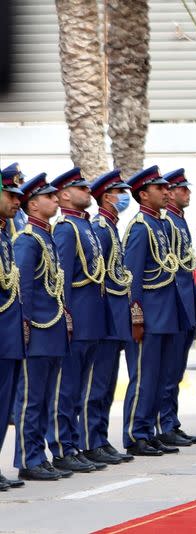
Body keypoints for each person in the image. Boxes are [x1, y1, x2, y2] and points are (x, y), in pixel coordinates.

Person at [121, 166, 188, 456]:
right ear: (143, 194)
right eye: (159, 188)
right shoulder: (140, 227)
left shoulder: (160, 224)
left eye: (165, 187)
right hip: (149, 316)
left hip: (166, 314)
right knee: (144, 377)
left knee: (160, 377)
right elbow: (132, 277)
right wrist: (136, 318)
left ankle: (149, 430)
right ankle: (136, 434)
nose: (165, 192)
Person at [13, 174, 73, 481]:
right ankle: (28, 458)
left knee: (47, 397)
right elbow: (23, 288)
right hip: (36, 329)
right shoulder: (27, 240)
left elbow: (55, 285)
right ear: (33, 204)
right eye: (49, 197)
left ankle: (41, 455)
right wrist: (24, 327)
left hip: (53, 328)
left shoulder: (46, 237)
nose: (55, 200)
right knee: (32, 399)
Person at [50, 167, 108, 473]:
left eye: (87, 188)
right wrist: (67, 317)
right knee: (67, 388)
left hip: (92, 319)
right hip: (76, 321)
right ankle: (61, 447)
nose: (88, 192)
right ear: (65, 195)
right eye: (80, 188)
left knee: (81, 388)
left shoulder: (86, 227)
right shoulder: (66, 229)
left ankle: (75, 444)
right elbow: (62, 279)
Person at [82, 170, 135, 465]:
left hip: (116, 317)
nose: (124, 197)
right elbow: (99, 278)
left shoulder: (111, 226)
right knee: (97, 384)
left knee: (107, 384)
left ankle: (99, 438)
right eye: (120, 192)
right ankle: (90, 441)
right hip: (106, 317)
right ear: (107, 196)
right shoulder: (101, 227)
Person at [159, 168, 196, 447]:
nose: (187, 194)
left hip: (186, 306)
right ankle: (165, 424)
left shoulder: (179, 221)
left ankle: (171, 422)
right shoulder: (167, 223)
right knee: (167, 373)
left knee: (176, 372)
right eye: (182, 189)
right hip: (173, 307)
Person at [0, 168, 27, 491]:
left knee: (5, 403)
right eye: (11, 195)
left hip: (8, 335)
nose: (17, 202)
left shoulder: (6, 234)